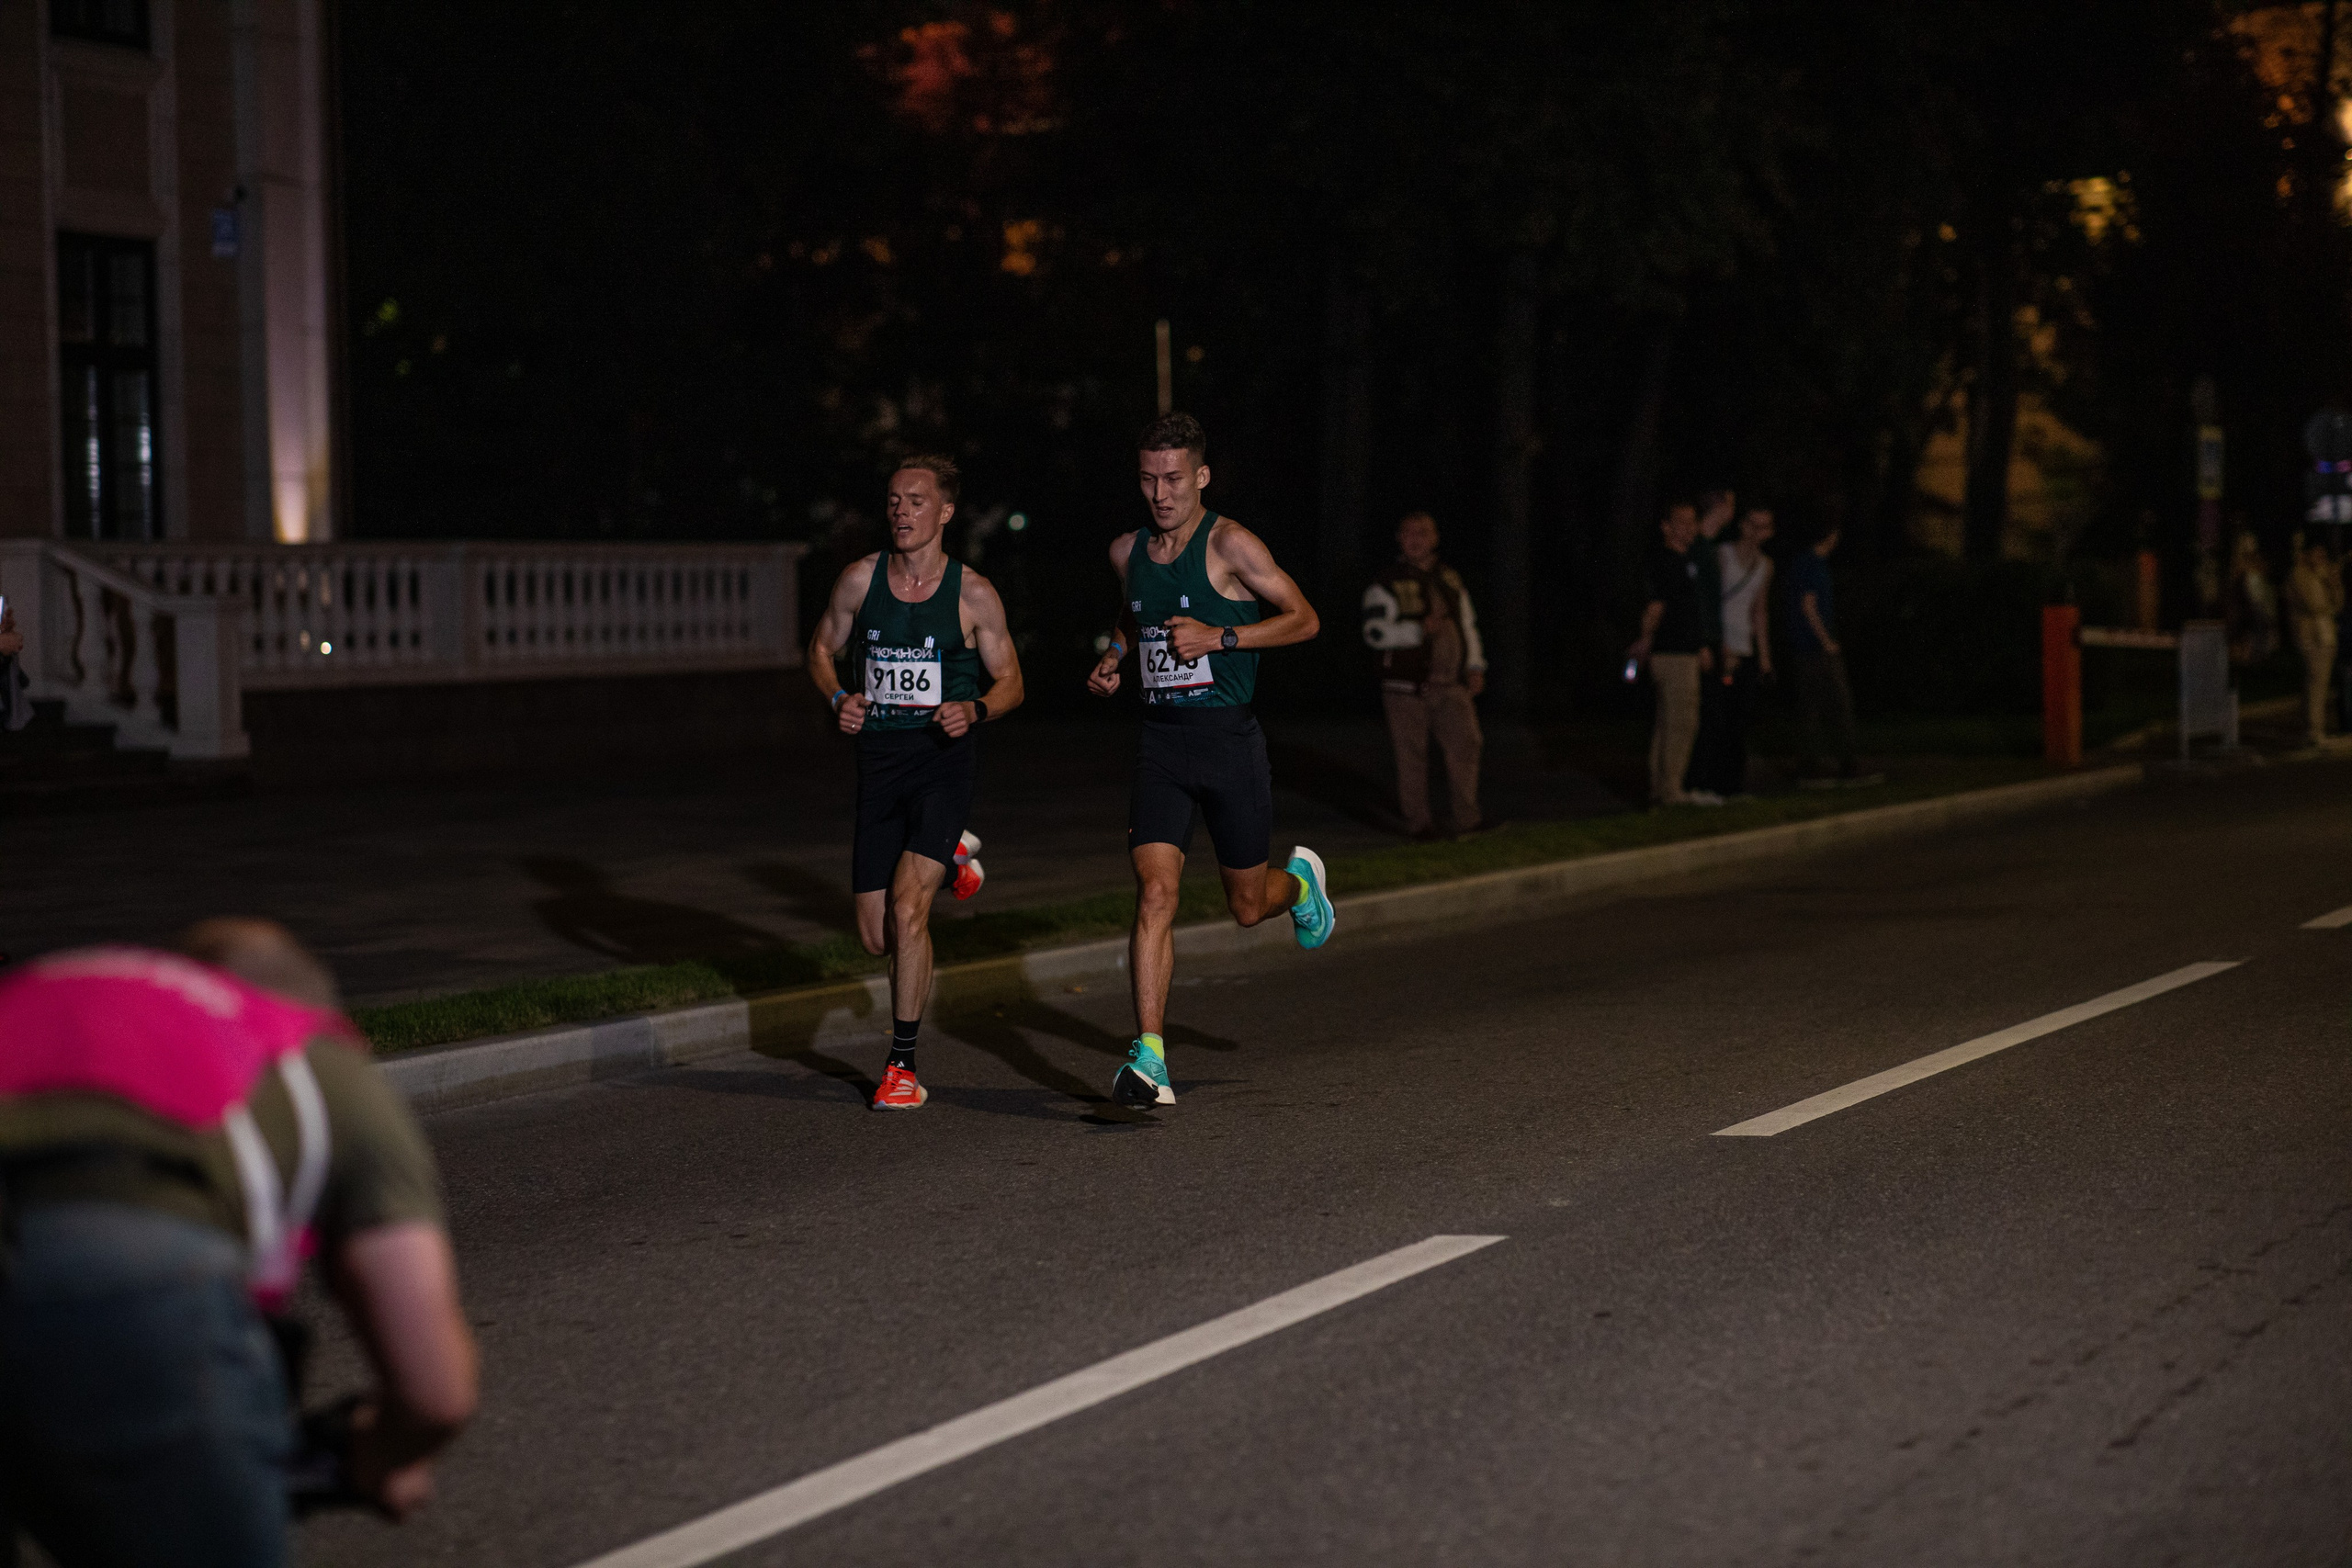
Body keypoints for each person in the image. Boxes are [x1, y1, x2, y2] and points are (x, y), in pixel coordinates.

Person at [0, 919, 476, 1567]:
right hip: (125, 1279)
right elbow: (435, 1390)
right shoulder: (312, 1055)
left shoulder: (59, 994)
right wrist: (377, 1456)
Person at [1085, 412, 1333, 1109]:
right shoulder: (1126, 550)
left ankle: (1302, 887)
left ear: (1200, 476)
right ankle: (1151, 1056)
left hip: (1228, 743)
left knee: (1247, 906)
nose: (1160, 492)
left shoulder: (1231, 543)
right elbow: (1136, 615)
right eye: (1147, 478)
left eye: (1173, 479)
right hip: (1161, 743)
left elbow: (1306, 619)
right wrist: (1114, 655)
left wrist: (1222, 637)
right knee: (1156, 892)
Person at [807, 456, 1025, 1111]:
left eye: (917, 501)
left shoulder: (973, 593)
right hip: (878, 765)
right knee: (877, 936)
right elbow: (820, 649)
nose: (902, 511)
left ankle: (901, 1065)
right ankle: (955, 854)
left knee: (909, 911)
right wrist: (839, 694)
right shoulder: (858, 581)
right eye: (895, 500)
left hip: (941, 759)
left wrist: (978, 707)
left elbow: (1013, 682)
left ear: (946, 512)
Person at [1362, 510, 1489, 839]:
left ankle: (1468, 819)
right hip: (1406, 686)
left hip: (1452, 684)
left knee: (1467, 744)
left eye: (1423, 532)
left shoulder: (1449, 579)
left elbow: (1467, 625)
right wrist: (1418, 631)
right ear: (1400, 539)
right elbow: (1374, 633)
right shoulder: (1386, 582)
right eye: (1409, 532)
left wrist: (1475, 665)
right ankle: (1419, 825)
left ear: (1435, 539)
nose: (1416, 539)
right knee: (1412, 756)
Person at [1628, 501, 1719, 807]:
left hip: (1684, 652)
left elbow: (1688, 611)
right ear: (1666, 527)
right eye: (1681, 522)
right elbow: (1655, 606)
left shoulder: (1684, 561)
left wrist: (1701, 646)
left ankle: (1660, 787)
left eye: (1693, 521)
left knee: (1667, 723)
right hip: (1673, 654)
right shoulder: (1665, 561)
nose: (1689, 528)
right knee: (1681, 722)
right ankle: (1672, 791)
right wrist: (1645, 640)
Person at [1785, 520, 1881, 789]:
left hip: (1804, 649)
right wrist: (1826, 641)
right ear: (1831, 536)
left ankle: (1810, 768)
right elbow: (1808, 605)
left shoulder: (1804, 563)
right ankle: (1848, 765)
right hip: (1817, 650)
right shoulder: (1814, 565)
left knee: (1811, 709)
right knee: (1840, 704)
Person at [1691, 504, 1775, 797]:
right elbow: (1712, 601)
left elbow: (1759, 611)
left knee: (1740, 720)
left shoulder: (1766, 565)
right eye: (1753, 525)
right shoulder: (1723, 555)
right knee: (1716, 716)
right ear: (1742, 525)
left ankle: (1732, 785)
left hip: (1746, 649)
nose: (1756, 532)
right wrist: (1720, 644)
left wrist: (1764, 655)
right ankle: (1707, 782)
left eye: (1764, 527)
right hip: (1721, 647)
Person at [1683, 489, 1734, 795]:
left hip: (1714, 640)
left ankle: (1709, 782)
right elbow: (1696, 600)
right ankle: (1695, 783)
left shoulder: (1711, 548)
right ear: (1719, 507)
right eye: (1731, 504)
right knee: (1703, 714)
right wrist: (1703, 643)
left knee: (1714, 714)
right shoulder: (1699, 549)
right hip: (1702, 643)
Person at [2285, 534, 2343, 745]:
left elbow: (2338, 604)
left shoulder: (2323, 574)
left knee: (2318, 682)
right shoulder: (2299, 575)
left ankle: (2310, 726)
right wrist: (2323, 578)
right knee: (2315, 680)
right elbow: (2313, 604)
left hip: (2327, 635)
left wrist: (2335, 584)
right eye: (2317, 553)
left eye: (2323, 554)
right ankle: (2314, 731)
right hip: (2309, 635)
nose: (2320, 557)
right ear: (2307, 554)